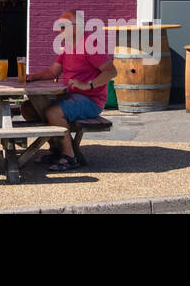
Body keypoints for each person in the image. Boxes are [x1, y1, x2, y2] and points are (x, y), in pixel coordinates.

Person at [20, 10, 117, 172]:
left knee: (53, 112)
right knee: (28, 109)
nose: (59, 30)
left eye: (63, 26)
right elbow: (52, 72)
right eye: (59, 26)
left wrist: (88, 85)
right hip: (71, 96)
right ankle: (56, 149)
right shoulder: (69, 48)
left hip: (90, 100)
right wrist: (31, 77)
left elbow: (111, 71)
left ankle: (70, 156)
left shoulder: (89, 44)